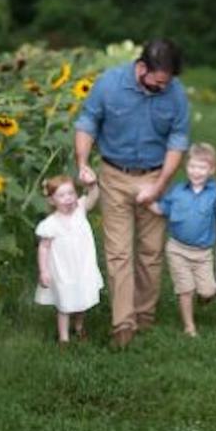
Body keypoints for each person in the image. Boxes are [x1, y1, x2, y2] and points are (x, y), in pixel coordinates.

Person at [73, 39, 191, 349]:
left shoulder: (175, 94)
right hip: (114, 174)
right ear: (141, 68)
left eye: (169, 82)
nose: (164, 88)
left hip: (154, 175)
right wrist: (83, 163)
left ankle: (145, 315)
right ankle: (123, 323)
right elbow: (87, 121)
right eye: (159, 82)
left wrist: (159, 186)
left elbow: (178, 139)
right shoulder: (109, 84)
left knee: (151, 252)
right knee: (118, 252)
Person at [148, 143, 216, 337]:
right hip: (177, 249)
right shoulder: (177, 191)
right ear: (186, 167)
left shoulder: (215, 194)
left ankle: (204, 297)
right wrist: (146, 200)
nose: (196, 171)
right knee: (185, 289)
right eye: (193, 166)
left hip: (203, 253)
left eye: (202, 167)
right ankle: (189, 326)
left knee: (208, 291)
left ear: (212, 169)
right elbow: (161, 209)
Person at [34, 175, 103, 347]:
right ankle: (63, 338)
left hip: (82, 266)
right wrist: (44, 271)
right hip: (63, 269)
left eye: (71, 193)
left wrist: (93, 185)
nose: (68, 198)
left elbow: (94, 196)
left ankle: (79, 327)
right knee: (64, 304)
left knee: (82, 299)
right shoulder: (50, 224)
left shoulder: (80, 209)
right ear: (51, 200)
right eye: (62, 195)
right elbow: (44, 248)